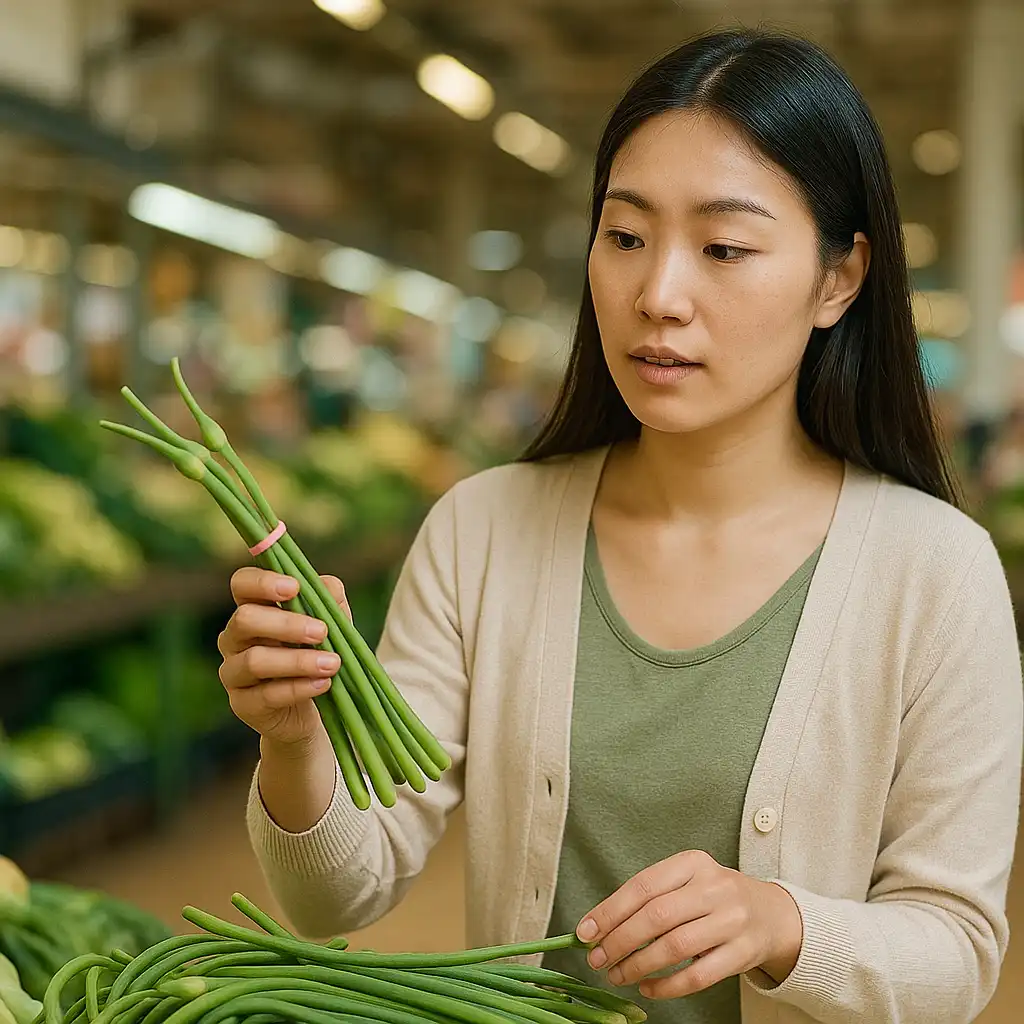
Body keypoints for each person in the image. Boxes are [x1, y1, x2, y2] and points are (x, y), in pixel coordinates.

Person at [216, 28, 1023, 1024]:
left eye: (723, 248)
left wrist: (781, 924)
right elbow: (335, 896)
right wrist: (295, 737)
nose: (658, 296)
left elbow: (957, 952)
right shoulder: (482, 532)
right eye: (626, 236)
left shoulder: (936, 572)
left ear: (838, 278)